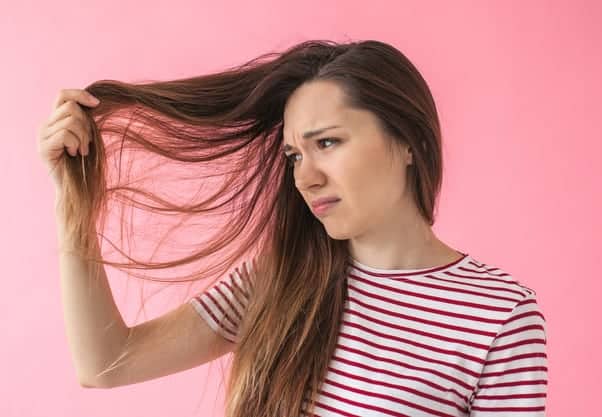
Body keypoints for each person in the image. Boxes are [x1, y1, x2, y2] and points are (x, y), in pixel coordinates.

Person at [37, 39, 548, 416]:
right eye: (294, 155)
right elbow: (107, 363)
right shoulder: (279, 280)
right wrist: (72, 203)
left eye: (327, 143)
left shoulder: (499, 315)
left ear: (408, 140)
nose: (305, 177)